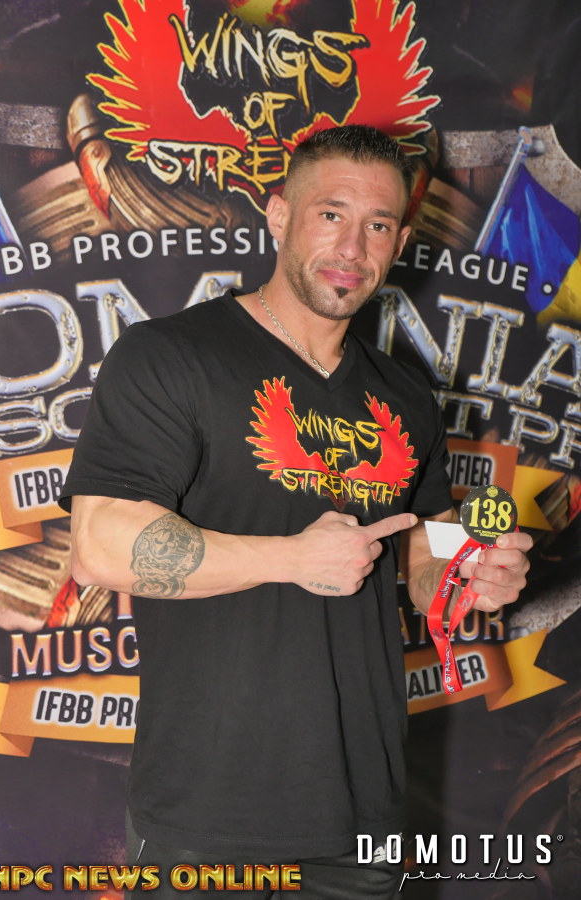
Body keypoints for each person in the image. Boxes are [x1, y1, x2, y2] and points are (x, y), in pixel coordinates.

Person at [59, 125, 531, 898]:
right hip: (209, 818)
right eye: (330, 214)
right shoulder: (171, 356)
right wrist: (290, 558)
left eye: (377, 225)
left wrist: (471, 572)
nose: (352, 247)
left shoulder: (405, 393)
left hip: (365, 813)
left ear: (399, 242)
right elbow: (101, 543)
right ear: (279, 216)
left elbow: (420, 548)